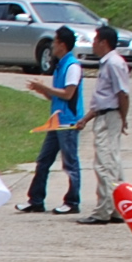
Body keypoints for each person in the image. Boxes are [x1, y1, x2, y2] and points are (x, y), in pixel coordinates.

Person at [20, 25, 85, 213]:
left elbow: (68, 93)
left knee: (70, 163)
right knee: (43, 160)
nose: (52, 46)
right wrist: (43, 90)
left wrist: (46, 89)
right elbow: (56, 97)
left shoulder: (72, 66)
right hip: (56, 121)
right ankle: (36, 199)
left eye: (55, 42)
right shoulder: (59, 66)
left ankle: (72, 202)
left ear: (62, 45)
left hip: (68, 122)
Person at [75, 23, 132, 223]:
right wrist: (86, 119)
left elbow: (122, 94)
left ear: (104, 42)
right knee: (112, 162)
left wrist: (122, 118)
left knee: (104, 163)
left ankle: (103, 210)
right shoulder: (108, 63)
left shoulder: (114, 63)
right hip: (105, 114)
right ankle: (117, 208)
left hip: (110, 117)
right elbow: (103, 98)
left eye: (95, 41)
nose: (93, 45)